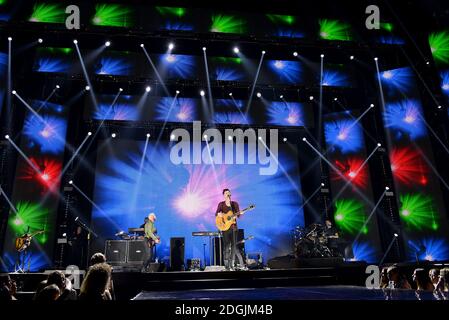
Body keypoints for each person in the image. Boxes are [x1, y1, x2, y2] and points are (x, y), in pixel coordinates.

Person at [216, 189, 245, 270]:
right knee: (226, 246)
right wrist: (220, 214)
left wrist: (240, 213)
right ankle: (226, 265)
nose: (227, 194)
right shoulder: (221, 204)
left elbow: (238, 215)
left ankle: (231, 264)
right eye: (226, 193)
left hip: (234, 228)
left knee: (233, 247)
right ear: (224, 195)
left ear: (230, 194)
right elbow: (217, 213)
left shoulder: (234, 204)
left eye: (228, 192)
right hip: (225, 228)